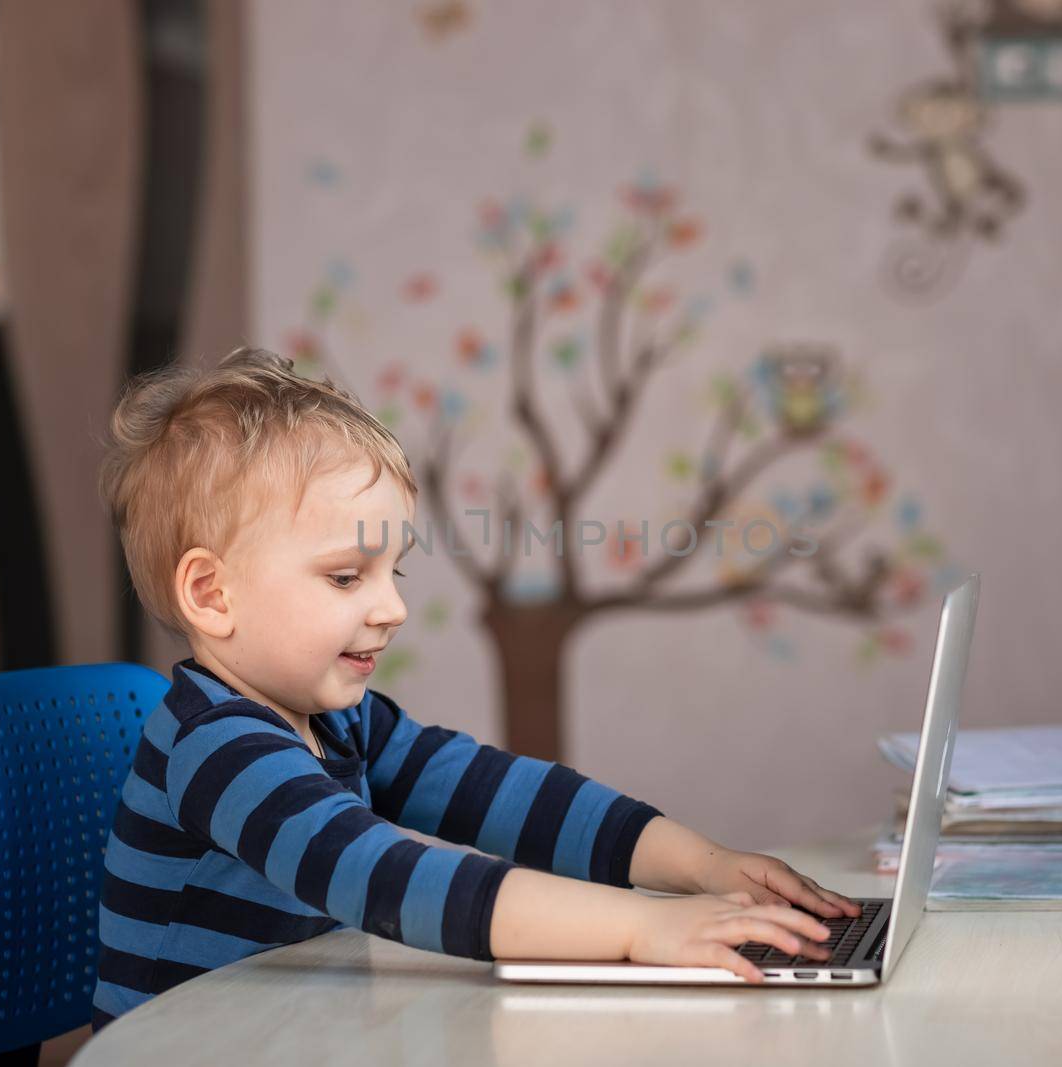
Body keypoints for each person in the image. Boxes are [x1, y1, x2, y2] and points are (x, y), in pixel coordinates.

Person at [90, 347, 858, 1028]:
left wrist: (705, 865)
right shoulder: (217, 750)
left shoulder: (340, 722)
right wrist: (643, 929)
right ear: (212, 594)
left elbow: (507, 796)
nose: (391, 609)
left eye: (396, 572)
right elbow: (392, 878)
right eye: (346, 576)